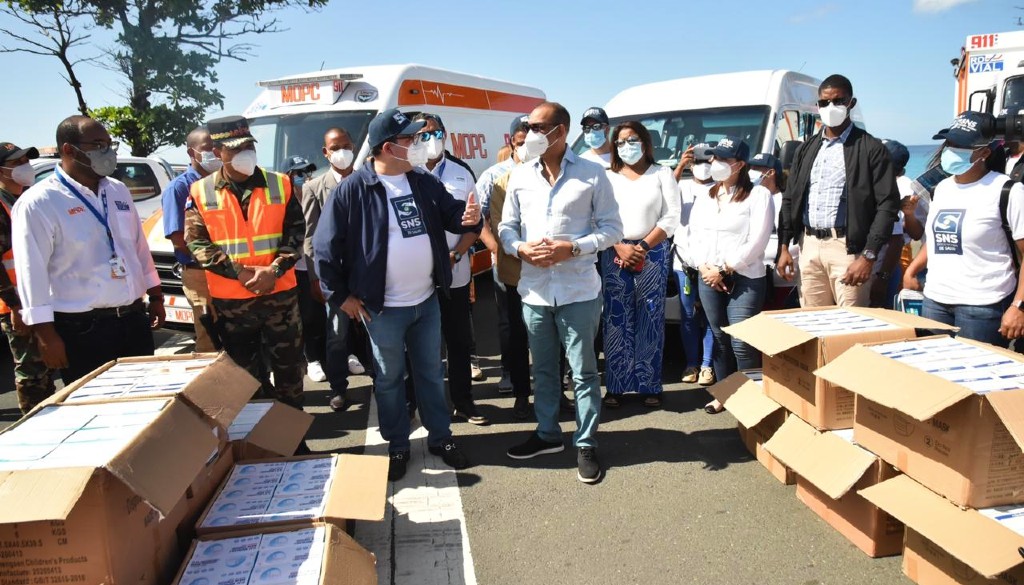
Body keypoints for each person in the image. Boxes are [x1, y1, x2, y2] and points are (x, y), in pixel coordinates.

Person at [313, 108, 481, 482]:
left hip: (426, 300)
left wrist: (469, 218)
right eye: (412, 139)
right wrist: (341, 297)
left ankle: (441, 438)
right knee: (389, 379)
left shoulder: (420, 180)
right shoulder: (353, 190)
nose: (419, 145)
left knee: (430, 375)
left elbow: (454, 215)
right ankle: (398, 445)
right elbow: (324, 250)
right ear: (389, 147)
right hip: (382, 309)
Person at [499, 101, 622, 484]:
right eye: (529, 127)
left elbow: (612, 230)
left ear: (560, 131)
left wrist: (574, 248)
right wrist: (520, 249)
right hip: (535, 291)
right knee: (545, 369)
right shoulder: (520, 176)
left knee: (583, 373)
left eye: (538, 127)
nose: (531, 132)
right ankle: (548, 433)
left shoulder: (591, 175)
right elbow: (507, 228)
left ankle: (585, 443)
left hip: (578, 291)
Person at [13, 115, 164, 384]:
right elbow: (31, 272)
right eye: (97, 144)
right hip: (82, 330)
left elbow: (137, 248)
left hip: (132, 319)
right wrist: (46, 335)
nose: (107, 151)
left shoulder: (117, 190)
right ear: (69, 149)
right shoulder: (40, 202)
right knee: (98, 409)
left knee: (143, 402)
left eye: (109, 143)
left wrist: (155, 296)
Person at [184, 115, 306, 408]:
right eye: (236, 149)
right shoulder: (201, 191)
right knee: (246, 380)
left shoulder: (281, 184)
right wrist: (238, 272)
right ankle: (260, 444)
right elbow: (196, 242)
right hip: (233, 305)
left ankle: (295, 441)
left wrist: (274, 270)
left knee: (290, 374)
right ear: (218, 153)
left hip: (280, 298)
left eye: (249, 145)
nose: (245, 153)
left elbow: (296, 232)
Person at [777, 74, 900, 307]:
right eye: (824, 103)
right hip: (809, 246)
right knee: (813, 326)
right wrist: (783, 247)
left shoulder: (870, 148)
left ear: (850, 103)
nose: (830, 107)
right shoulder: (807, 149)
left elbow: (887, 206)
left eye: (838, 101)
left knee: (850, 326)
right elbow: (790, 198)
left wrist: (868, 256)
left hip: (848, 248)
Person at [903, 111, 1024, 347]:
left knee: (977, 380)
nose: (951, 149)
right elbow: (938, 239)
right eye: (950, 143)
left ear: (985, 152)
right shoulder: (941, 189)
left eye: (962, 146)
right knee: (933, 377)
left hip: (982, 308)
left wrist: (1017, 306)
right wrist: (912, 270)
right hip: (934, 302)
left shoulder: (1008, 191)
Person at [685, 137, 774, 414]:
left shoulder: (759, 195)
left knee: (741, 341)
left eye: (724, 159)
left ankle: (751, 396)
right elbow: (693, 236)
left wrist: (726, 268)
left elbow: (758, 240)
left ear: (740, 164)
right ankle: (725, 394)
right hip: (708, 275)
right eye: (715, 159)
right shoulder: (706, 195)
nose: (717, 164)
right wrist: (705, 268)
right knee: (720, 337)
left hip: (745, 276)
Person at [413, 112, 488, 425]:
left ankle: (464, 401)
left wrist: (456, 254)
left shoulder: (461, 173)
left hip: (455, 273)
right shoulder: (406, 173)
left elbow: (475, 222)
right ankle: (420, 404)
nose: (431, 140)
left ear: (444, 134)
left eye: (435, 133)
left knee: (457, 342)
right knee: (420, 347)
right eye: (423, 135)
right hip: (416, 279)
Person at [600, 122, 679, 409]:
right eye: (620, 142)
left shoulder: (662, 173)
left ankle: (649, 384)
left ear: (644, 142)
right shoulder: (607, 177)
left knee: (650, 317)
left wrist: (643, 247)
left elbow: (671, 218)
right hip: (614, 251)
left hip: (653, 252)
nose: (626, 146)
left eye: (631, 140)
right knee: (616, 320)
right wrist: (618, 245)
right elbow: (598, 218)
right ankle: (616, 385)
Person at [302, 128, 365, 412]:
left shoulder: (369, 181)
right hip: (336, 278)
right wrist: (317, 278)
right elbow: (311, 239)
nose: (342, 151)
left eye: (347, 145)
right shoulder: (314, 187)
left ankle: (383, 381)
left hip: (368, 275)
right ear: (325, 152)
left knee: (374, 331)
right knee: (337, 334)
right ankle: (338, 388)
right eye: (335, 147)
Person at [479, 115, 533, 418]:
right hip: (509, 262)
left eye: (531, 141)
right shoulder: (495, 176)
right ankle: (513, 378)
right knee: (511, 325)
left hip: (545, 265)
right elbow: (478, 217)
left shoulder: (550, 170)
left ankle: (552, 387)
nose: (526, 147)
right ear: (511, 141)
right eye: (521, 141)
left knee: (546, 329)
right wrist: (495, 248)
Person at [0, 143, 55, 412]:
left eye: (25, 160)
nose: (25, 166)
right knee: (31, 370)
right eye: (17, 162)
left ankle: (49, 414)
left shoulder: (25, 199)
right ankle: (33, 421)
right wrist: (14, 305)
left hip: (37, 297)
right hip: (16, 303)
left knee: (46, 367)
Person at [161, 126, 220, 353]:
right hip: (200, 273)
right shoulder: (179, 188)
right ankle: (209, 388)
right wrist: (216, 260)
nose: (214, 153)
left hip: (228, 271)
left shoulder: (222, 182)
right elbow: (178, 239)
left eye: (216, 148)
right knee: (209, 336)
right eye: (207, 149)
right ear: (191, 153)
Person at [280, 154, 329, 384]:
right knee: (304, 317)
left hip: (313, 266)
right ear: (287, 176)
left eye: (306, 172)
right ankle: (312, 360)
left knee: (319, 315)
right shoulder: (281, 202)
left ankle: (326, 356)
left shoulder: (312, 194)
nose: (304, 177)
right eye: (299, 173)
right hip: (293, 270)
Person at [749, 152, 800, 310]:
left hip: (782, 282)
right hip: (752, 278)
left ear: (771, 173)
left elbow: (793, 238)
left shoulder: (786, 200)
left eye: (757, 169)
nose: (751, 172)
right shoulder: (748, 198)